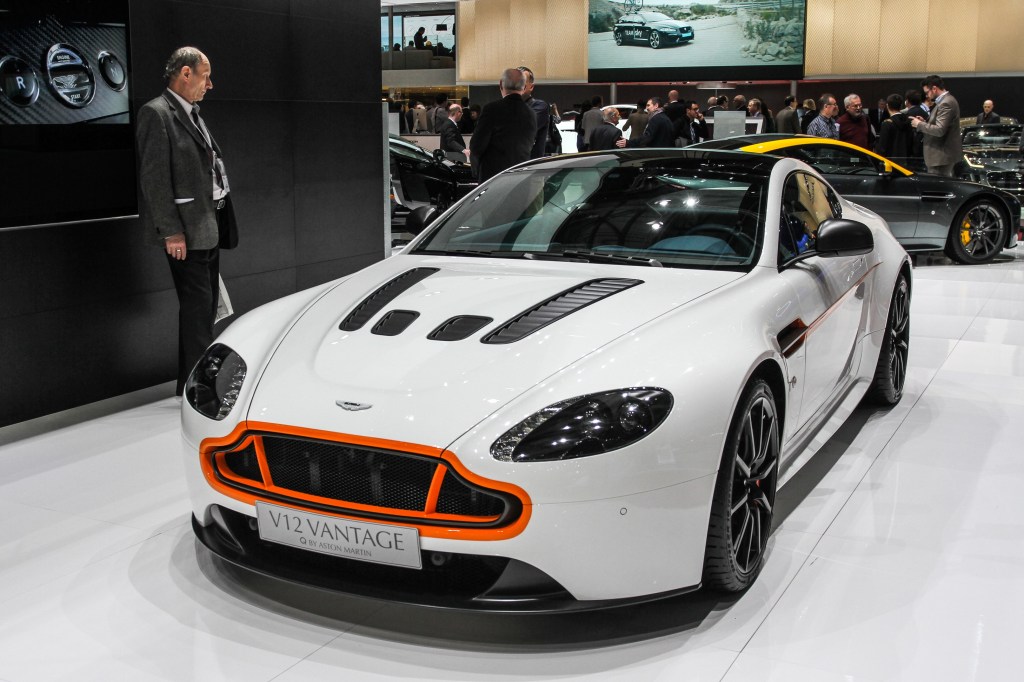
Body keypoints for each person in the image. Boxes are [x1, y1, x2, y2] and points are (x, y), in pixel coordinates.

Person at [136, 46, 238, 396]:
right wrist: (172, 231)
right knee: (198, 313)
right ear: (185, 73)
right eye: (205, 76)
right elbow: (154, 181)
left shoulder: (192, 113)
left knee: (203, 311)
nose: (209, 85)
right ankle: (204, 391)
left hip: (207, 226)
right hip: (185, 233)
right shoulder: (157, 114)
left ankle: (188, 385)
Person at [470, 68, 537, 182]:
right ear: (524, 87)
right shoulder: (532, 114)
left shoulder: (491, 109)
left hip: (493, 179)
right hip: (520, 178)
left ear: (501, 84)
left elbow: (476, 146)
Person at [910, 75, 961, 176]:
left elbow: (939, 130)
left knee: (938, 189)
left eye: (927, 92)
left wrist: (919, 124)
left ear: (934, 89)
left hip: (940, 158)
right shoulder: (944, 101)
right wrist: (925, 122)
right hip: (940, 157)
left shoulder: (946, 103)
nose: (927, 96)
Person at [518, 66, 551, 159]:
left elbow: (523, 130)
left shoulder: (540, 106)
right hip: (508, 166)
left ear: (531, 86)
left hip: (530, 165)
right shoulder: (506, 107)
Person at [874, 93, 914, 161]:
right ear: (901, 106)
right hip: (907, 160)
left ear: (887, 106)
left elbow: (882, 147)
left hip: (891, 161)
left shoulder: (887, 123)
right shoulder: (909, 121)